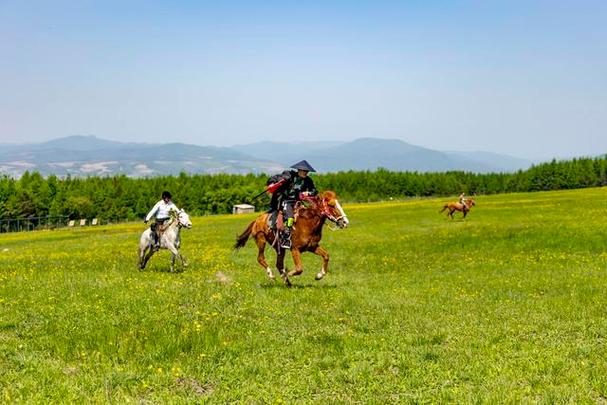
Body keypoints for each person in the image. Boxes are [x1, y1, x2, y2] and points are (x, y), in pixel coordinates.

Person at [267, 160, 318, 249]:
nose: (306, 173)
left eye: (307, 171)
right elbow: (274, 178)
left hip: (298, 201)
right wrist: (272, 183)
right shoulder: (288, 175)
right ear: (299, 170)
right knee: (290, 217)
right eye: (304, 171)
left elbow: (314, 190)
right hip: (285, 201)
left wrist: (308, 193)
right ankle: (286, 238)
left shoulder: (308, 180)